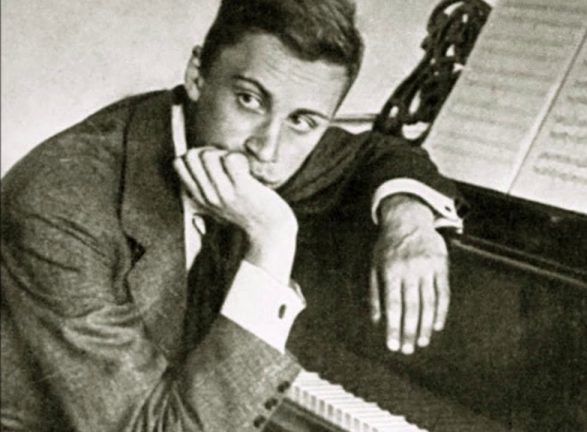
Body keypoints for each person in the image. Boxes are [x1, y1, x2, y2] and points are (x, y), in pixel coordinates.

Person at [0, 0, 462, 430]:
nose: (267, 148)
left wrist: (408, 220)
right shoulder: (60, 206)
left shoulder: (253, 149)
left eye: (303, 121)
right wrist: (273, 237)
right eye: (249, 99)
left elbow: (376, 153)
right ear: (197, 75)